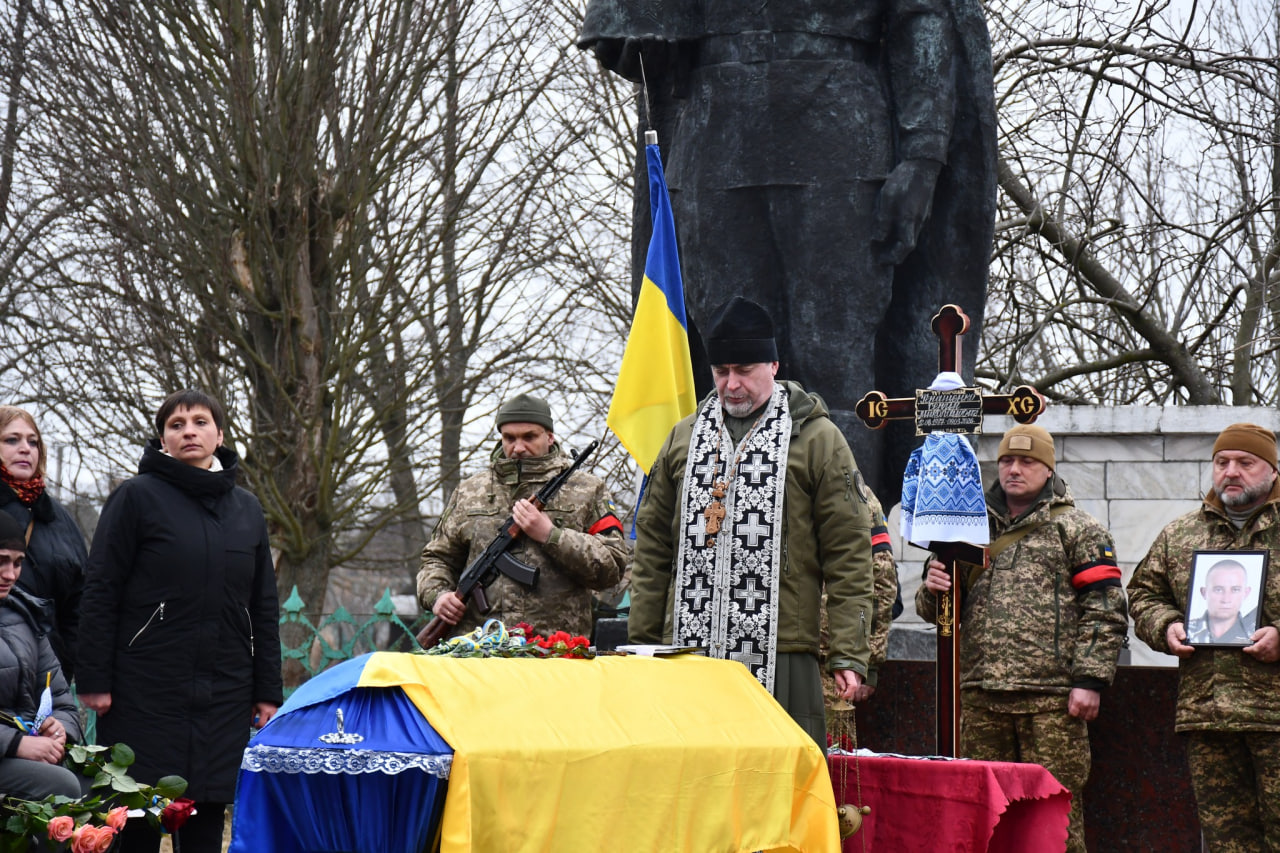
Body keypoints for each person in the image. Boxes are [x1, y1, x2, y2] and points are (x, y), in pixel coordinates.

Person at [578, 0, 997, 502]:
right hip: (713, 137)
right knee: (728, 364)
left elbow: (921, 14)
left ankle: (851, 554)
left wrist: (924, 153)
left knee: (835, 363)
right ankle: (724, 549)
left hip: (840, 138)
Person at [630, 296, 875, 746]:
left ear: (774, 365)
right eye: (721, 372)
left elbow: (849, 553)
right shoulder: (683, 438)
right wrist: (644, 642)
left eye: (744, 370)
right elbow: (651, 549)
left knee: (779, 789)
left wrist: (849, 651)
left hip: (783, 653)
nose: (731, 384)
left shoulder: (819, 439)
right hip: (688, 649)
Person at [76, 389, 283, 853]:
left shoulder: (247, 509)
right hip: (144, 689)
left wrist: (267, 690)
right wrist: (93, 677)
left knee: (206, 819)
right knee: (136, 818)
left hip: (225, 690)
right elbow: (101, 589)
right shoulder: (135, 498)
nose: (189, 430)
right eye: (176, 424)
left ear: (220, 434)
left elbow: (263, 604)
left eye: (200, 421)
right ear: (163, 438)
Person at [915, 424, 1127, 853]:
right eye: (1008, 460)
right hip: (980, 696)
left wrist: (1089, 681)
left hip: (1050, 700)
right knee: (985, 817)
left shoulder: (1078, 529)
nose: (1014, 469)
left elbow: (1105, 609)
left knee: (1054, 821)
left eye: (1027, 461)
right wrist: (934, 588)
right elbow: (934, 612)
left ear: (1048, 469)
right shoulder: (967, 528)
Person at [1128, 422, 1280, 851]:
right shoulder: (1181, 534)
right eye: (1221, 462)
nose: (1231, 471)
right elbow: (1143, 593)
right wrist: (1167, 626)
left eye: (1245, 462)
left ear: (1271, 469)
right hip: (1208, 715)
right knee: (1226, 842)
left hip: (1275, 718)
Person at [417, 393, 629, 639]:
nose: (518, 447)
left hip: (556, 650)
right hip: (479, 649)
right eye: (509, 438)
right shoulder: (469, 491)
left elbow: (612, 567)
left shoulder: (588, 489)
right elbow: (437, 558)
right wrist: (438, 595)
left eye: (529, 437)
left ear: (549, 437)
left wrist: (551, 535)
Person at [0, 510, 83, 802]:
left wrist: (59, 729)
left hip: (26, 752)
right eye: (1, 561)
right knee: (63, 787)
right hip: (11, 753)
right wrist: (16, 744)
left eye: (18, 563)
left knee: (103, 787)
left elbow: (61, 699)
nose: (10, 575)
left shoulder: (26, 616)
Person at [0, 406, 87, 681]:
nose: (25, 448)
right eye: (11, 440)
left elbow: (79, 602)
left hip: (46, 678)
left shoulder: (59, 519)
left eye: (33, 441)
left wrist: (65, 668)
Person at [1186, 558, 1256, 645]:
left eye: (1235, 590)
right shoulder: (1186, 631)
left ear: (1246, 593)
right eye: (1218, 590)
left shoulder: (1257, 634)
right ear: (1204, 592)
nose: (1226, 599)